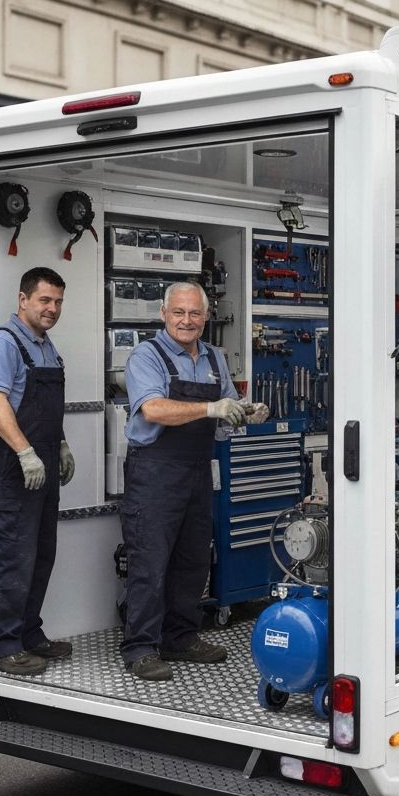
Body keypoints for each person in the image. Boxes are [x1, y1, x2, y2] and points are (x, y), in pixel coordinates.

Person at [120, 281, 269, 681]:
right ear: (164, 315)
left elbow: (221, 411)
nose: (187, 321)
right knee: (150, 561)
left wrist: (242, 412)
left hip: (198, 468)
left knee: (193, 558)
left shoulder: (213, 357)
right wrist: (211, 406)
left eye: (195, 313)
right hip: (154, 471)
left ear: (206, 317)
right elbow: (152, 409)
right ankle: (141, 647)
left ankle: (181, 637)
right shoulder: (145, 356)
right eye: (179, 313)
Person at [0, 267, 76, 675]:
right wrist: (25, 453)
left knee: (40, 556)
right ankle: (2, 646)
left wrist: (63, 444)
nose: (52, 309)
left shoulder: (47, 347)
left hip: (44, 463)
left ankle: (28, 634)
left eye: (58, 302)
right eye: (44, 300)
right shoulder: (4, 343)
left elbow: (48, 409)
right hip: (11, 468)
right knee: (11, 559)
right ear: (23, 300)